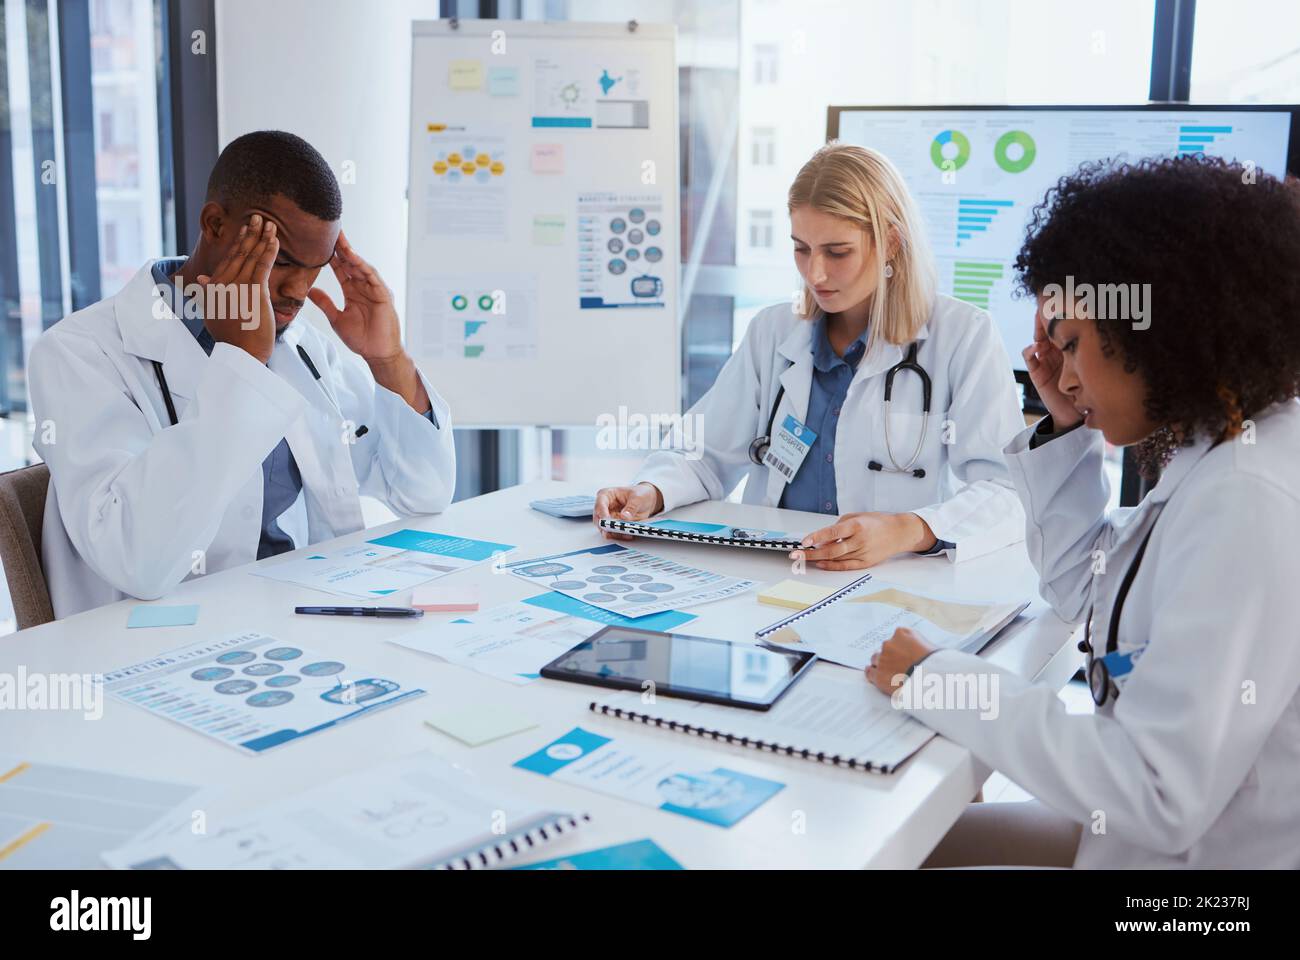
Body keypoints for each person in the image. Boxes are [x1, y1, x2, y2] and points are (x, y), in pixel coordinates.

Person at [868, 155, 1300, 868]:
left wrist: (941, 681)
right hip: (1156, 840)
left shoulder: (1247, 498)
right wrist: (1067, 430)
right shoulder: (1222, 449)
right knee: (904, 844)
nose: (1060, 373)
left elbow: (1155, 791)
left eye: (1071, 344)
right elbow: (1100, 601)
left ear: (1154, 329)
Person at [30, 130, 456, 617]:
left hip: (293, 615)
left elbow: (422, 495)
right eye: (283, 262)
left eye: (315, 269)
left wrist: (388, 361)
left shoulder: (302, 347)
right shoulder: (79, 354)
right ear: (214, 224)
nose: (298, 292)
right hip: (152, 644)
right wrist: (241, 362)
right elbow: (137, 562)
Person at [594, 143, 1025, 568]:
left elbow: (1006, 490)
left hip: (894, 586)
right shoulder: (774, 332)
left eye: (837, 252)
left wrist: (906, 529)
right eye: (802, 248)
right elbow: (704, 455)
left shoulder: (963, 337)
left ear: (891, 242)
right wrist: (650, 490)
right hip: (776, 576)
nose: (814, 273)